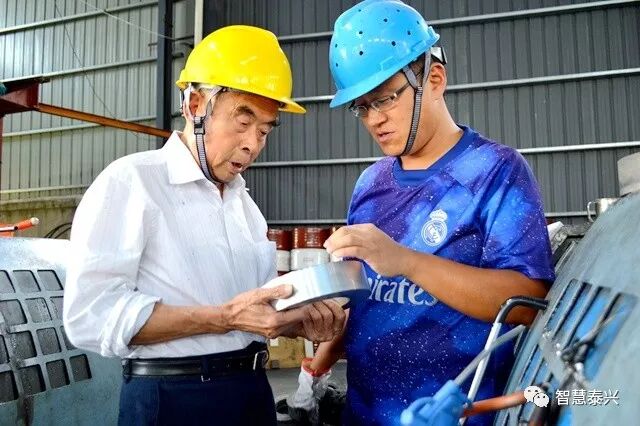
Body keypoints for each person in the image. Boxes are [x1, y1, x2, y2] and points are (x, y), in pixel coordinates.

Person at [63, 25, 346, 426]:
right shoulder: (132, 183)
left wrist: (297, 321)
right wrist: (224, 317)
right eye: (242, 122)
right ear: (196, 105)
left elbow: (251, 315)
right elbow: (90, 315)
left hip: (251, 391)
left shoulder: (245, 208)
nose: (253, 144)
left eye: (264, 130)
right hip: (173, 399)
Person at [290, 1, 555, 425]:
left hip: (452, 414)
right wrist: (317, 367)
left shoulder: (495, 171)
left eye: (384, 99)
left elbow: (526, 302)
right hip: (364, 414)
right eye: (362, 107)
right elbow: (365, 298)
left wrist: (407, 261)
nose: (374, 120)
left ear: (433, 79)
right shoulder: (370, 184)